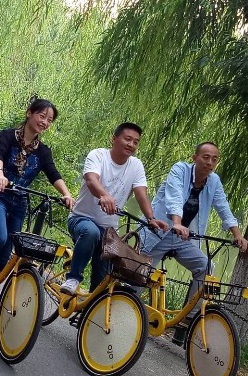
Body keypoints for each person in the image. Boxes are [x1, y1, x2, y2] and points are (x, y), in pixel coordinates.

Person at [0, 99, 74, 324]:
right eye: (42, 116)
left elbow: (53, 174)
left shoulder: (43, 152)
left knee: (6, 254)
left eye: (50, 120)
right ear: (29, 113)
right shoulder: (7, 136)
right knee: (0, 237)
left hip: (19, 202)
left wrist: (67, 194)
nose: (45, 122)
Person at [139, 141, 248, 343]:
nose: (210, 162)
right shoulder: (180, 170)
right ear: (194, 158)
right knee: (139, 274)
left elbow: (223, 207)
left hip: (183, 237)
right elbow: (174, 197)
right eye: (205, 157)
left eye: (214, 159)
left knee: (206, 267)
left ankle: (188, 318)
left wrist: (237, 234)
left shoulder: (213, 181)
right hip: (159, 231)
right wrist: (177, 223)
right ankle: (124, 308)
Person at [60, 122, 168, 296]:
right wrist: (104, 195)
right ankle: (73, 278)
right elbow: (91, 180)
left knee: (102, 285)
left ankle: (90, 308)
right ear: (114, 139)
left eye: (135, 142)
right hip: (81, 218)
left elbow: (141, 194)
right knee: (91, 232)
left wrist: (151, 218)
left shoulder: (136, 165)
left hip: (109, 231)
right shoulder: (98, 155)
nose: (131, 144)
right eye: (128, 139)